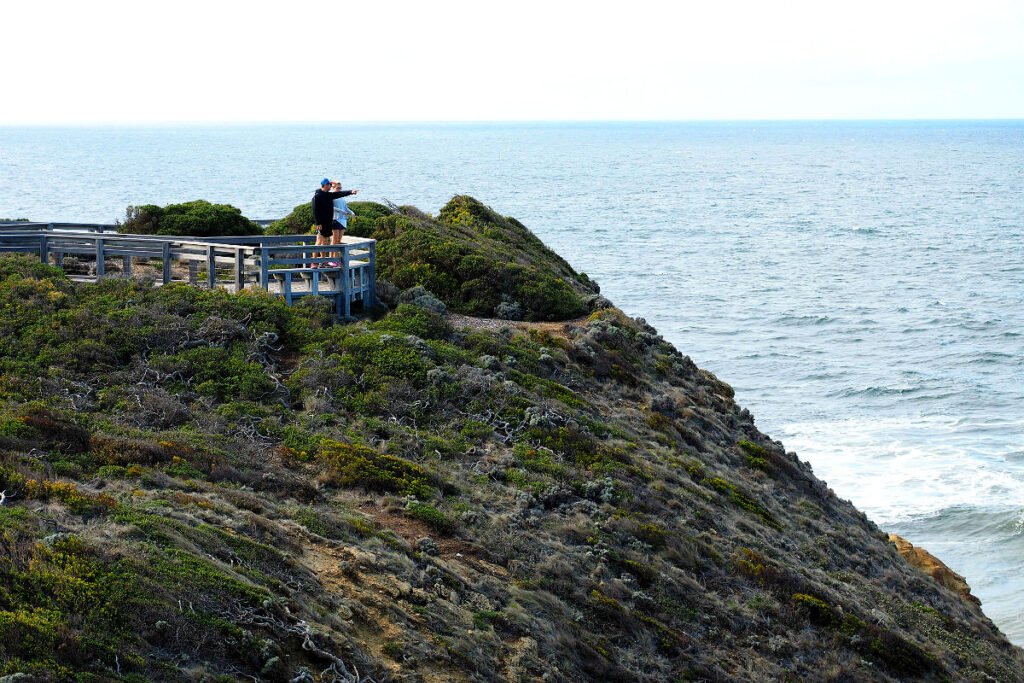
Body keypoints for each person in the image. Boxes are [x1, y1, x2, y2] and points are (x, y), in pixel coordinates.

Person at [311, 178, 357, 267]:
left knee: (325, 242)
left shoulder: (329, 195)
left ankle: (323, 261)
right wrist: (318, 223)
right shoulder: (317, 196)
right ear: (325, 185)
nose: (331, 187)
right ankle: (314, 262)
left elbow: (340, 193)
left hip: (328, 222)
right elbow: (315, 210)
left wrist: (351, 192)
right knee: (319, 241)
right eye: (329, 185)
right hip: (321, 223)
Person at [328, 181, 357, 267]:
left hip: (343, 220)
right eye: (337, 188)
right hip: (335, 219)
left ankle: (337, 260)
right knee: (334, 240)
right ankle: (331, 260)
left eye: (340, 188)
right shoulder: (331, 196)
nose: (339, 189)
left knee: (338, 241)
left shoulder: (342, 197)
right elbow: (331, 208)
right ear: (333, 188)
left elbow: (345, 208)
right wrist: (342, 211)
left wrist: (352, 213)